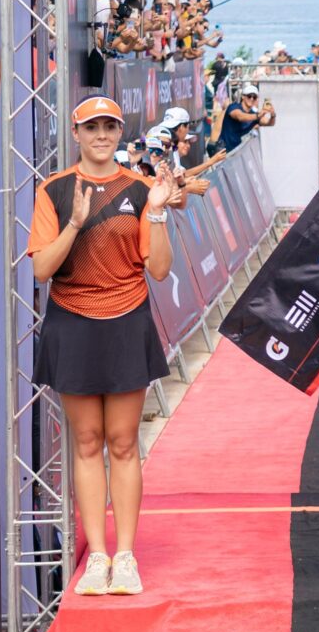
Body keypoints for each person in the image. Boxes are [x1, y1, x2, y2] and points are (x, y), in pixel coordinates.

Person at [28, 95, 207, 597]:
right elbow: (41, 270)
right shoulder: (54, 190)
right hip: (72, 324)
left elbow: (160, 270)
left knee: (124, 442)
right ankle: (97, 557)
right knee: (87, 442)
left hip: (127, 321)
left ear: (119, 132)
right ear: (77, 133)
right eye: (92, 127)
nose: (101, 135)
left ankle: (125, 556)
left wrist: (158, 213)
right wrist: (74, 223)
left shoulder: (142, 189)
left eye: (109, 126)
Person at [216, 82, 277, 152]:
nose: (252, 99)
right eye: (249, 96)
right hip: (223, 148)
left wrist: (273, 115)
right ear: (243, 97)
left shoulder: (254, 114)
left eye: (254, 97)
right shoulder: (233, 107)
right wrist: (259, 115)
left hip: (236, 150)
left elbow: (270, 123)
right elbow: (240, 117)